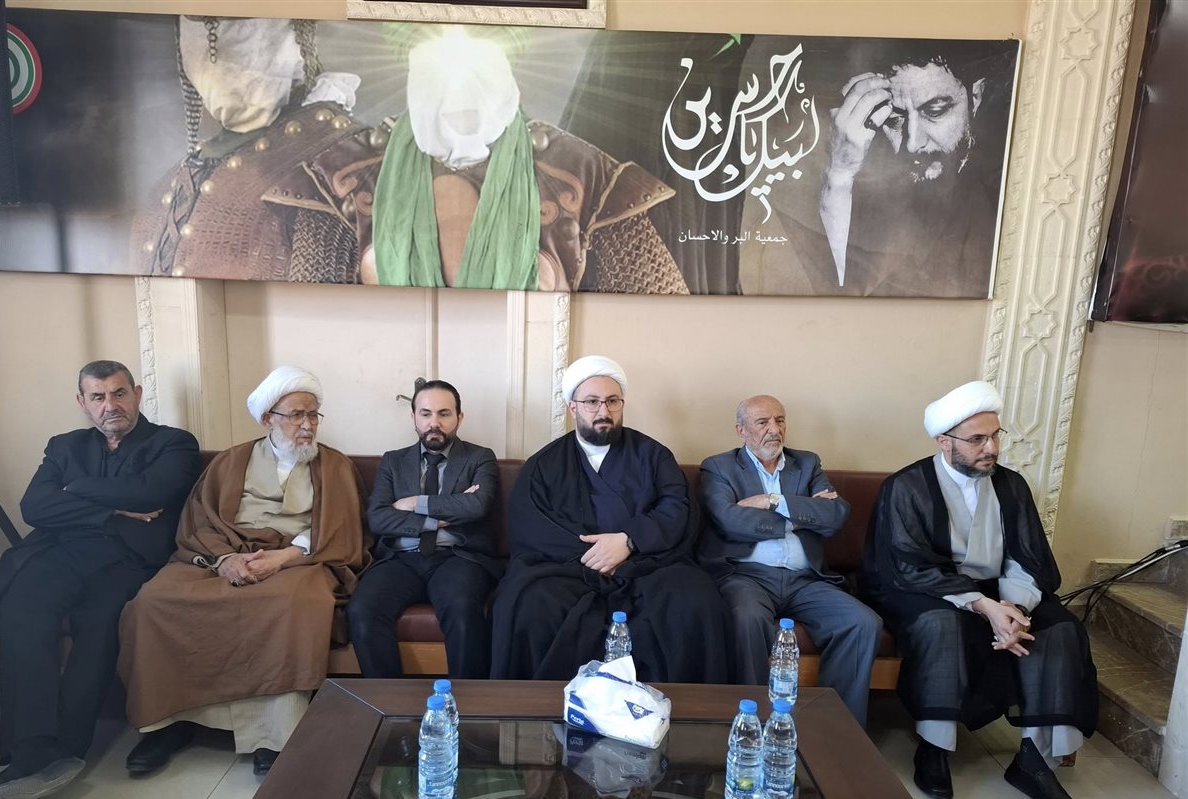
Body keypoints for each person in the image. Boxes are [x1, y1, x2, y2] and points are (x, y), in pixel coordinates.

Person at [863, 381, 1098, 799]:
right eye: (976, 439)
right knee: (940, 625)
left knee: (1061, 628)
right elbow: (907, 564)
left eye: (994, 436)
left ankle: (1035, 761)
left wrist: (1015, 609)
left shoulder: (1011, 485)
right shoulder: (907, 486)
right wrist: (982, 606)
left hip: (1003, 590)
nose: (990, 448)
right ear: (944, 441)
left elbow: (1027, 557)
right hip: (925, 589)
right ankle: (934, 747)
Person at [117, 366, 367, 776]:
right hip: (225, 553)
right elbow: (201, 520)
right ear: (268, 418)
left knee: (293, 602)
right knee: (154, 601)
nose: (307, 425)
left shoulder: (334, 465)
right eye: (297, 415)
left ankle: (274, 734)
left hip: (300, 559)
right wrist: (224, 560)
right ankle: (169, 724)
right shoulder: (231, 461)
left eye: (313, 415)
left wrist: (283, 558)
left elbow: (343, 529)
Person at [0, 361, 198, 799]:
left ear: (137, 394)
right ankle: (30, 752)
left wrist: (75, 488)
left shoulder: (173, 443)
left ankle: (67, 748)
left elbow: (150, 493)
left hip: (128, 558)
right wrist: (111, 510)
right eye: (98, 397)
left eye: (119, 394)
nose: (110, 406)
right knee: (23, 609)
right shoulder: (65, 445)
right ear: (82, 402)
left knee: (101, 622)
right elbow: (34, 507)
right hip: (61, 550)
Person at [360, 24, 689, 294]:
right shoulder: (353, 173)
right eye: (438, 73)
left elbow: (657, 318)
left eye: (477, 72)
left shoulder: (583, 173)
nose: (459, 92)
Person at [490, 355, 727, 683]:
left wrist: (629, 541)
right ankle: (542, 709)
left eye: (612, 401)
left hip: (647, 563)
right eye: (592, 402)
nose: (603, 411)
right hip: (568, 568)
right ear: (573, 408)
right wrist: (598, 556)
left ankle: (686, 709)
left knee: (695, 600)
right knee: (528, 605)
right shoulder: (544, 464)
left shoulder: (653, 455)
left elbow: (677, 508)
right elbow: (532, 524)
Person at [740, 41, 1015, 298]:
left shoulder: (1009, 205)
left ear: (976, 96)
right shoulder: (866, 202)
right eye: (895, 119)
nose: (912, 143)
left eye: (935, 111)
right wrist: (839, 177)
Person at [132, 16, 378, 282]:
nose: (215, 55)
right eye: (199, 30)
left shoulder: (348, 162)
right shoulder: (166, 190)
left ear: (297, 36)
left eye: (236, 29)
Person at [698, 395, 882, 726]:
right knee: (746, 618)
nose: (774, 429)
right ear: (741, 430)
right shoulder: (719, 467)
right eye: (762, 422)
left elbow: (835, 515)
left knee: (862, 622)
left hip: (805, 580)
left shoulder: (807, 463)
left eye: (779, 420)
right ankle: (752, 722)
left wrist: (773, 500)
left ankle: (836, 727)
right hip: (747, 577)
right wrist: (801, 516)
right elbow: (729, 520)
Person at [346, 380, 499, 678]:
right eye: (425, 414)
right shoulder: (392, 461)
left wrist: (413, 502)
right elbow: (378, 518)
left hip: (458, 557)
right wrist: (442, 515)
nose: (434, 423)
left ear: (459, 417)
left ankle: (469, 702)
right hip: (400, 560)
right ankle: (388, 702)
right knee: (362, 610)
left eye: (444, 413)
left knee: (461, 607)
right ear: (413, 417)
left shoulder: (479, 457)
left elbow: (477, 506)